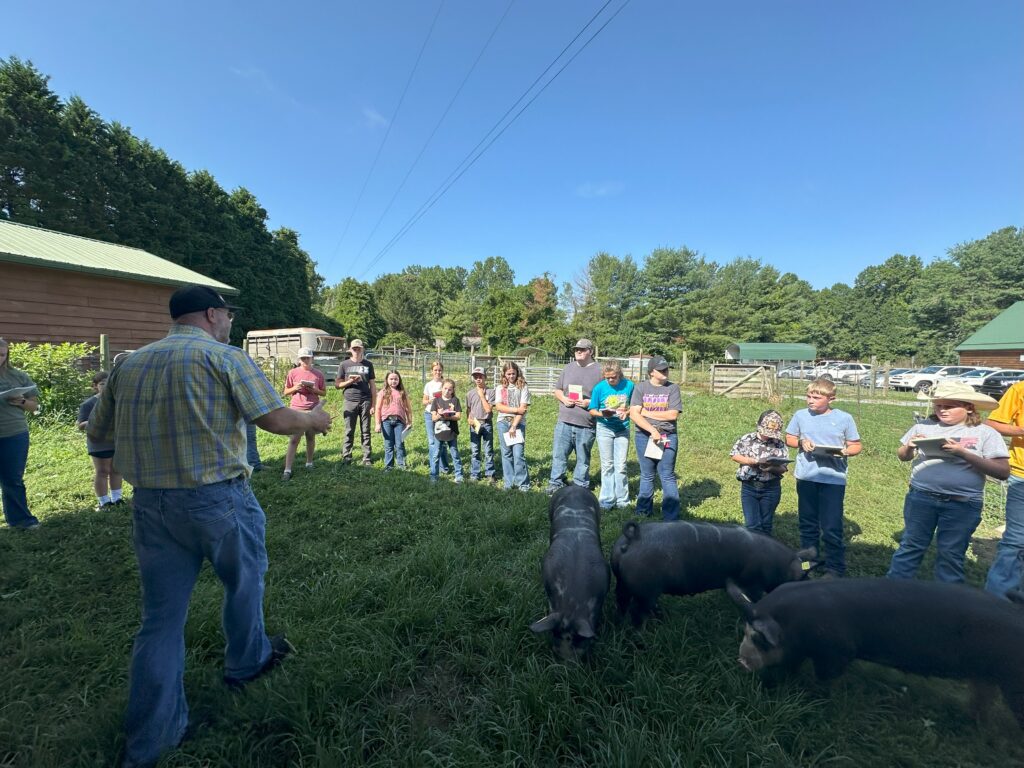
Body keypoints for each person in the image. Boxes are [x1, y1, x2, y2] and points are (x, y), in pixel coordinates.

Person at [87, 284, 332, 768]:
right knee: (244, 581)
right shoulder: (225, 357)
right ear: (211, 314)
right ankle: (246, 662)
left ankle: (150, 742)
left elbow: (98, 432)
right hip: (218, 498)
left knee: (160, 621)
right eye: (227, 314)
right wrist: (314, 420)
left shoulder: (128, 365)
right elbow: (278, 421)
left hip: (151, 505)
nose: (230, 321)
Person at [887, 381, 1008, 583]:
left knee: (951, 553)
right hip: (921, 497)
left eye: (949, 406)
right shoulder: (924, 425)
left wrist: (963, 453)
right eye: (938, 406)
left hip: (962, 502)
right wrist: (908, 447)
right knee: (911, 545)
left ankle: (949, 602)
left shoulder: (985, 433)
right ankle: (894, 591)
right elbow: (903, 456)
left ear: (969, 407)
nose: (942, 410)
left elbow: (1002, 471)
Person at [785, 377, 862, 578]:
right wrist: (801, 442)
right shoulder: (801, 415)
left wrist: (845, 451)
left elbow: (856, 445)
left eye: (816, 397)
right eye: (809, 396)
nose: (810, 400)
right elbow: (790, 438)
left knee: (831, 525)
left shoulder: (844, 418)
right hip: (807, 476)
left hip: (833, 479)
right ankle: (808, 563)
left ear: (831, 398)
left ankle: (835, 568)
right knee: (807, 522)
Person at [546, 339, 603, 494]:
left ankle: (580, 485)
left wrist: (589, 403)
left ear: (590, 351)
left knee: (582, 458)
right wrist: (564, 399)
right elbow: (557, 390)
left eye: (582, 349)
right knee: (559, 454)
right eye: (577, 349)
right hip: (564, 420)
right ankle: (555, 482)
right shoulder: (568, 368)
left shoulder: (600, 371)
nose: (578, 351)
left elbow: (605, 397)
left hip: (586, 423)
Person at [629, 356, 683, 520]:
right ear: (651, 372)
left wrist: (646, 412)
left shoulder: (673, 388)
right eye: (661, 370)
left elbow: (672, 415)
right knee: (647, 474)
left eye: (667, 369)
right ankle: (643, 512)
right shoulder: (641, 388)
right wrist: (652, 430)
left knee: (667, 475)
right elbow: (634, 415)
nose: (666, 372)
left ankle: (671, 516)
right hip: (644, 436)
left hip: (668, 435)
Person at [984, 377, 1024, 598]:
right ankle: (997, 603)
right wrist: (1021, 430)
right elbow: (993, 423)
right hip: (1022, 475)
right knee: (1016, 541)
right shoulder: (1020, 389)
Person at [0, 337, 41, 530]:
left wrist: (22, 402)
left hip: (14, 433)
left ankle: (21, 520)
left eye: (2, 354)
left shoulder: (18, 376)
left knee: (12, 479)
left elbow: (35, 407)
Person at [730, 410, 789, 535]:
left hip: (771, 487)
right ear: (758, 425)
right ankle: (753, 551)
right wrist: (749, 461)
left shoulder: (779, 444)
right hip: (749, 487)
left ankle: (766, 551)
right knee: (752, 524)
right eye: (765, 432)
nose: (768, 436)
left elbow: (783, 467)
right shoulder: (747, 439)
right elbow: (734, 455)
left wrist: (771, 467)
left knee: (766, 524)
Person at [587, 361, 634, 511]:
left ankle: (622, 500)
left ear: (619, 374)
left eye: (613, 377)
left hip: (622, 429)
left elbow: (635, 406)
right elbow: (592, 409)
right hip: (604, 428)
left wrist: (626, 413)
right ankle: (607, 499)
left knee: (621, 466)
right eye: (607, 378)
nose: (610, 380)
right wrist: (602, 414)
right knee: (607, 465)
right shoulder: (599, 388)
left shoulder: (629, 386)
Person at [76, 370, 124, 509]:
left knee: (116, 469)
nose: (106, 386)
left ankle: (117, 498)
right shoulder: (88, 404)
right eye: (103, 383)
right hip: (98, 441)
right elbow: (80, 424)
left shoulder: (117, 401)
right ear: (95, 386)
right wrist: (95, 421)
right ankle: (104, 501)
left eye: (109, 383)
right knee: (102, 471)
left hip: (115, 440)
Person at [281, 348, 326, 480]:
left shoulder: (318, 374)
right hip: (296, 410)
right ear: (299, 360)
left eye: (308, 358)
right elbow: (285, 391)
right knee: (294, 439)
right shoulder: (293, 372)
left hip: (313, 409)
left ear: (312, 358)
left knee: (310, 437)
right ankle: (287, 469)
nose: (305, 361)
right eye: (303, 358)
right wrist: (296, 388)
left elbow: (323, 393)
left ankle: (309, 462)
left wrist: (314, 390)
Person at [335, 339, 376, 466]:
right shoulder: (344, 364)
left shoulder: (368, 364)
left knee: (366, 430)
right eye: (354, 348)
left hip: (365, 400)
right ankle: (347, 456)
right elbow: (337, 385)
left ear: (362, 349)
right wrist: (350, 382)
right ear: (350, 350)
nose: (356, 351)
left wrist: (374, 404)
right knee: (349, 430)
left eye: (359, 348)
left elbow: (373, 386)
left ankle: (367, 457)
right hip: (350, 400)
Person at [495, 361, 531, 491]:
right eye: (508, 373)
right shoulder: (500, 388)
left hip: (518, 424)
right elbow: (499, 407)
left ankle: (523, 484)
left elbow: (524, 408)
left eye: (513, 373)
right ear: (504, 374)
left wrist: (514, 425)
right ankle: (508, 483)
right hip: (503, 422)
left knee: (518, 453)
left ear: (517, 373)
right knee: (506, 454)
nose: (511, 376)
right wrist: (516, 410)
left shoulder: (523, 387)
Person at [375, 370, 412, 471]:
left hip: (400, 422)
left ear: (399, 380)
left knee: (399, 444)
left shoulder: (402, 393)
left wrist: (409, 421)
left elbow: (408, 408)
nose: (393, 381)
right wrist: (377, 424)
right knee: (389, 444)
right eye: (391, 379)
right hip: (386, 421)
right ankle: (389, 466)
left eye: (396, 379)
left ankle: (401, 465)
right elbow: (378, 408)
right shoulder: (382, 393)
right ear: (387, 380)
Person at [466, 366, 496, 483]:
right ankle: (475, 473)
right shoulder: (470, 394)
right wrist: (469, 418)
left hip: (486, 423)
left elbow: (489, 409)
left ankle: (490, 473)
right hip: (475, 424)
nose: (478, 379)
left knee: (488, 450)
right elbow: (469, 408)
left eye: (480, 377)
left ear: (485, 377)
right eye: (475, 377)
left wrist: (482, 396)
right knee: (475, 450)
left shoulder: (491, 392)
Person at [430, 377, 463, 483]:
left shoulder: (455, 400)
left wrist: (449, 415)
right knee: (436, 454)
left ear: (453, 390)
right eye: (445, 388)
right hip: (439, 432)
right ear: (441, 388)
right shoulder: (436, 401)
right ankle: (434, 475)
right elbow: (433, 418)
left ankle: (459, 476)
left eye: (450, 389)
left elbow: (458, 416)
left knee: (455, 454)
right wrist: (440, 414)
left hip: (451, 432)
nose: (447, 391)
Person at [421, 360, 451, 474]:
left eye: (439, 370)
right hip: (429, 414)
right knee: (431, 441)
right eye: (435, 370)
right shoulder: (428, 385)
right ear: (432, 371)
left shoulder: (445, 384)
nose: (438, 372)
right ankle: (433, 465)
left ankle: (444, 467)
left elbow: (451, 399)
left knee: (442, 440)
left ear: (442, 371)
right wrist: (430, 400)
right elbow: (424, 401)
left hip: (442, 415)